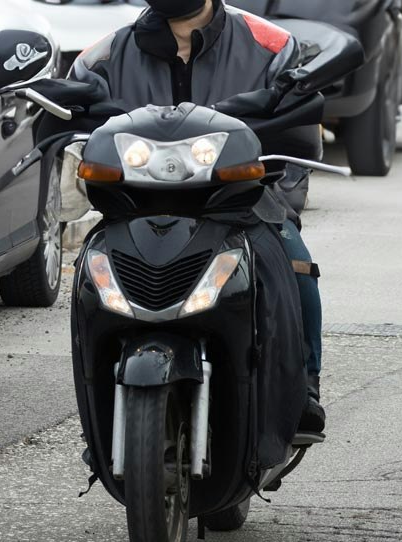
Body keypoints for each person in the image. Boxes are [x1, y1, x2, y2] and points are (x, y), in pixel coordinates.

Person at [70, 0, 326, 431]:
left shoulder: (272, 45)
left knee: (294, 263)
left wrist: (275, 200)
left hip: (241, 203)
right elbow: (74, 126)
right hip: (136, 209)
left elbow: (299, 133)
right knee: (89, 279)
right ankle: (98, 405)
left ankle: (304, 385)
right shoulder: (102, 57)